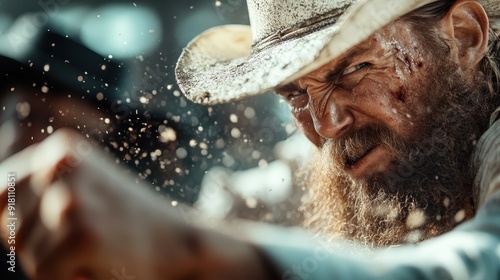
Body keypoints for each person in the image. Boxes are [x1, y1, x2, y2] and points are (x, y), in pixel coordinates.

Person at [1, 0, 500, 279]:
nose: (324, 127)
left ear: (463, 37)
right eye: (295, 94)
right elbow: (255, 202)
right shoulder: (365, 157)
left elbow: (475, 268)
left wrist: (185, 248)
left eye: (355, 68)